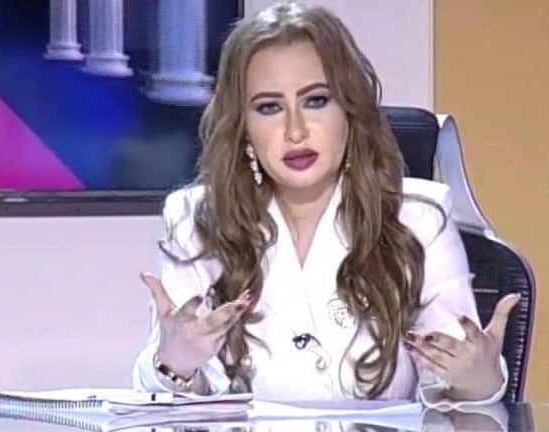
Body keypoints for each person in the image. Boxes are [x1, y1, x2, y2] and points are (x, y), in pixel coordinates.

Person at [132, 1, 520, 408]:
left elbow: (458, 387)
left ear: (350, 111)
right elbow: (163, 400)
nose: (296, 131)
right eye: (269, 107)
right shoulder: (197, 219)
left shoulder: (419, 217)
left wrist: (478, 379)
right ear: (243, 127)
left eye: (316, 100)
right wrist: (175, 363)